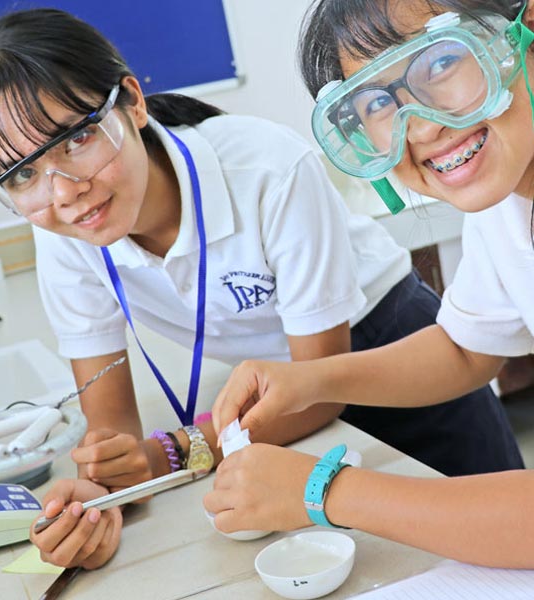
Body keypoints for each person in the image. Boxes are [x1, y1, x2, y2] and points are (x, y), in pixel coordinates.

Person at [0, 7, 521, 569]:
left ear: (132, 102)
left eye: (76, 139)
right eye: (23, 173)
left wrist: (180, 454)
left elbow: (375, 387)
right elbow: (113, 431)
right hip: (302, 398)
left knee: (479, 551)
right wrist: (100, 500)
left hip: (387, 344)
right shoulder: (501, 212)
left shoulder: (266, 168)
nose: (64, 190)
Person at [207, 0, 534, 570]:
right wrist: (310, 381)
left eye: (441, 62)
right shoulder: (503, 203)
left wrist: (326, 492)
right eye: (378, 102)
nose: (422, 126)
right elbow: (466, 350)